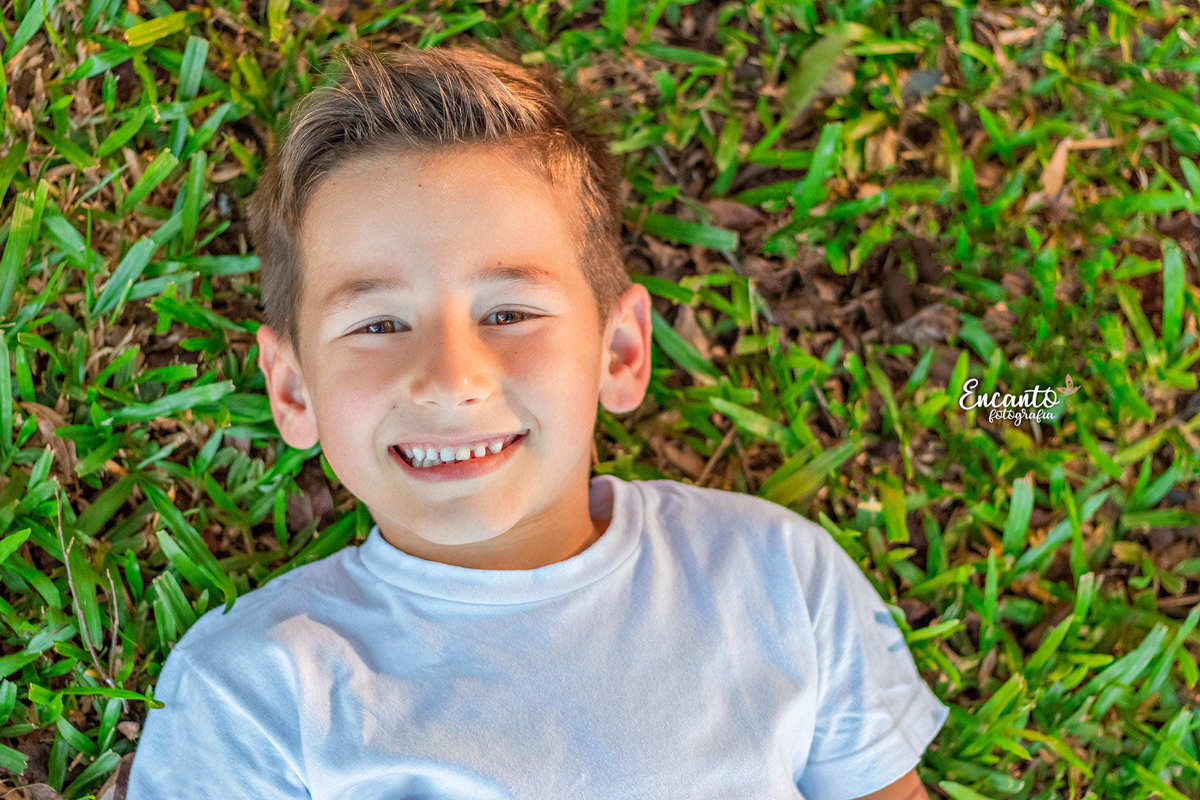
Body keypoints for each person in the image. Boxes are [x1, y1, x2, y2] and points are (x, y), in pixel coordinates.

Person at [126, 42, 948, 800]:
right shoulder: (250, 691)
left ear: (619, 351)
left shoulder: (773, 575)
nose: (451, 379)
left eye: (509, 313)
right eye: (378, 324)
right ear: (294, 390)